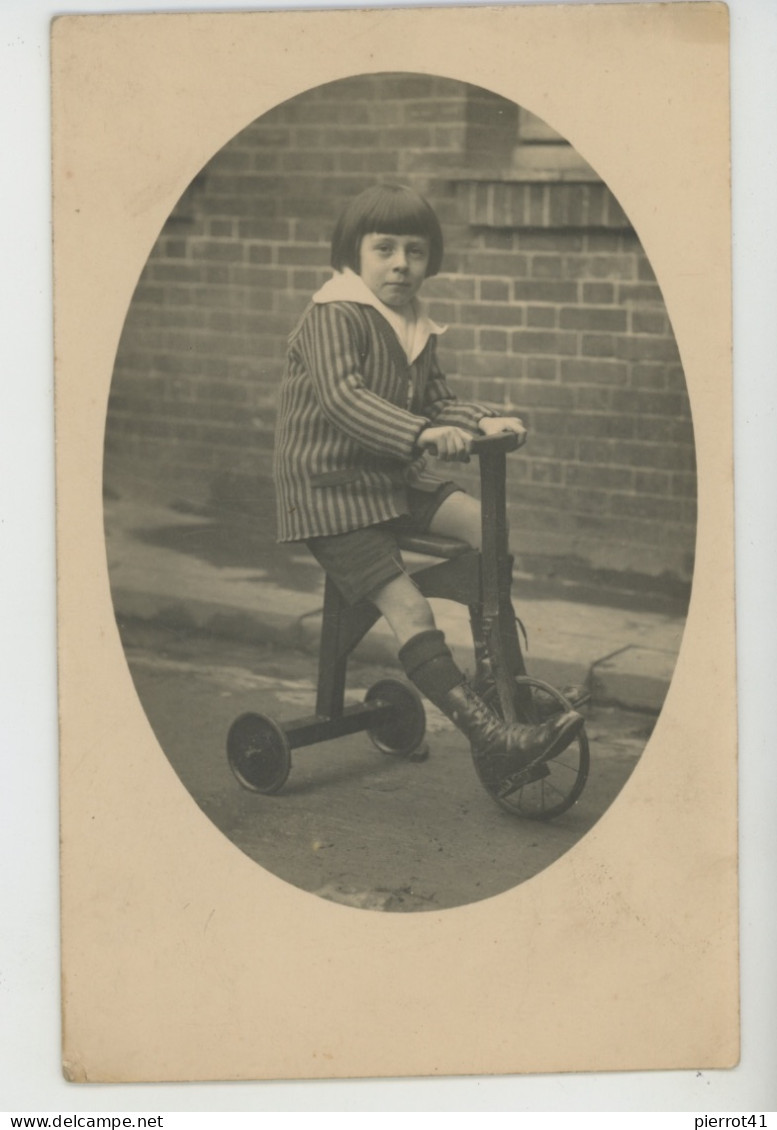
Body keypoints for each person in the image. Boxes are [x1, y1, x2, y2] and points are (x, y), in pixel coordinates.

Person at [273, 183, 584, 791]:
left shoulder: (414, 323)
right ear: (352, 255)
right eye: (384, 249)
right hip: (331, 496)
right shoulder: (331, 315)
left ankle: (505, 690)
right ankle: (492, 735)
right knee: (408, 604)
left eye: (414, 252)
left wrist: (482, 420)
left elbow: (437, 400)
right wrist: (420, 435)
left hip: (390, 481)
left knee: (481, 523)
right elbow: (345, 400)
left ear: (429, 260)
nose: (400, 265)